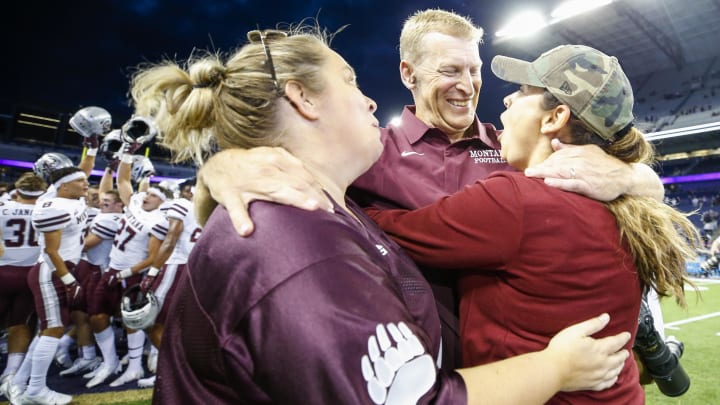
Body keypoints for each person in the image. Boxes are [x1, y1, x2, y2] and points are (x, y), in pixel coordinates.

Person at [129, 24, 630, 404]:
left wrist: (633, 178)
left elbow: (604, 169)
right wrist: (223, 164)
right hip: (416, 370)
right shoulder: (372, 152)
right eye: (450, 70)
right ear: (408, 75)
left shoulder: (508, 148)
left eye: (473, 70)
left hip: (483, 375)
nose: (469, 84)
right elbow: (303, 177)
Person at [365, 44, 699, 404]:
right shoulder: (623, 198)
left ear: (554, 117)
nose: (506, 100)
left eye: (523, 91)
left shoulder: (516, 200)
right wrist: (633, 175)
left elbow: (390, 229)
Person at [85, 153, 168, 389]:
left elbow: (153, 258)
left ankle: (134, 366)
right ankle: (110, 363)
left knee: (133, 320)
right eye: (148, 193)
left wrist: (122, 274)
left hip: (131, 274)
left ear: (162, 202)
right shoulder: (134, 206)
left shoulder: (158, 221)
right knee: (97, 315)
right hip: (112, 268)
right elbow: (123, 181)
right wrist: (127, 154)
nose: (147, 195)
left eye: (153, 195)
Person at [12, 167, 88, 405]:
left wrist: (92, 147)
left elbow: (76, 172)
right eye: (81, 181)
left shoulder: (58, 197)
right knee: (54, 328)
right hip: (53, 270)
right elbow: (50, 251)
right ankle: (35, 390)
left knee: (48, 329)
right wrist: (68, 279)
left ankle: (18, 383)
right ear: (64, 186)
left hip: (58, 270)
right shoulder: (54, 207)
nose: (86, 184)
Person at [0, 173, 47, 396]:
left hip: (2, 270)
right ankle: (11, 373)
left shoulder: (2, 208)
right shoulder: (46, 211)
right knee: (19, 324)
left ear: (17, 191)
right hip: (30, 274)